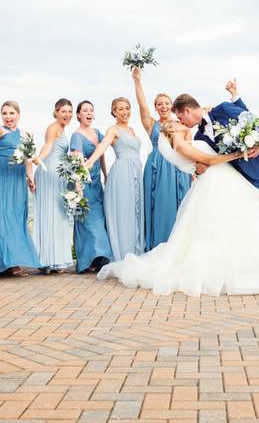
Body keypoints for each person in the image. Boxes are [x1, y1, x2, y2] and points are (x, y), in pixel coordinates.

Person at [97, 121, 259, 296]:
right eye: (176, 122)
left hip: (222, 179)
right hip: (215, 182)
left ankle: (249, 267)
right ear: (171, 129)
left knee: (240, 223)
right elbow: (208, 160)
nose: (180, 122)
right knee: (221, 226)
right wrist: (239, 154)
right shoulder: (180, 145)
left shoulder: (187, 139)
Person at [171, 80, 259, 195]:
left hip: (255, 170)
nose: (181, 122)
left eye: (180, 117)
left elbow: (256, 122)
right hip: (232, 180)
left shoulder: (223, 109)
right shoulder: (198, 137)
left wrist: (258, 144)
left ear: (187, 111)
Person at [0, 101, 41, 277]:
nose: (8, 117)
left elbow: (27, 158)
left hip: (17, 178)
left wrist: (30, 178)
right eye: (4, 113)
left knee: (14, 218)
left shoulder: (26, 135)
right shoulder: (0, 130)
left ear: (18, 115)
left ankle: (12, 261)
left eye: (12, 113)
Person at [132, 68, 191, 250]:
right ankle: (158, 247)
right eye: (159, 104)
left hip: (178, 167)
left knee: (180, 207)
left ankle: (178, 249)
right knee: (158, 207)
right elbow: (142, 106)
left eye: (166, 103)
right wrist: (137, 81)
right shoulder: (152, 125)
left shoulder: (183, 125)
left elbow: (190, 150)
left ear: (172, 106)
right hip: (157, 166)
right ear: (156, 107)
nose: (163, 106)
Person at [84, 97, 144, 261]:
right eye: (120, 109)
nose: (125, 111)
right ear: (114, 112)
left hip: (137, 171)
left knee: (135, 211)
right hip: (122, 172)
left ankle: (135, 251)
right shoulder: (113, 130)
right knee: (124, 211)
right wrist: (90, 161)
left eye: (127, 108)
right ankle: (124, 253)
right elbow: (102, 146)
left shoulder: (132, 129)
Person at [32, 98, 75, 272]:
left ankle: (51, 259)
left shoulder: (62, 129)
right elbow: (48, 145)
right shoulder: (53, 127)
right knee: (51, 213)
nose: (67, 114)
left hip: (59, 173)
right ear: (56, 112)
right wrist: (39, 159)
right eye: (64, 111)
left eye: (70, 111)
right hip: (50, 171)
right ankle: (49, 260)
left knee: (56, 214)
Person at [70, 101, 112, 273]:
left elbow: (100, 155)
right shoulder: (76, 136)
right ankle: (94, 259)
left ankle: (97, 259)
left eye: (91, 110)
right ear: (78, 114)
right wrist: (78, 186)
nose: (88, 113)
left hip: (96, 182)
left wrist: (105, 174)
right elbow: (77, 161)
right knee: (89, 221)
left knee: (99, 219)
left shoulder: (97, 133)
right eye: (85, 110)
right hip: (83, 181)